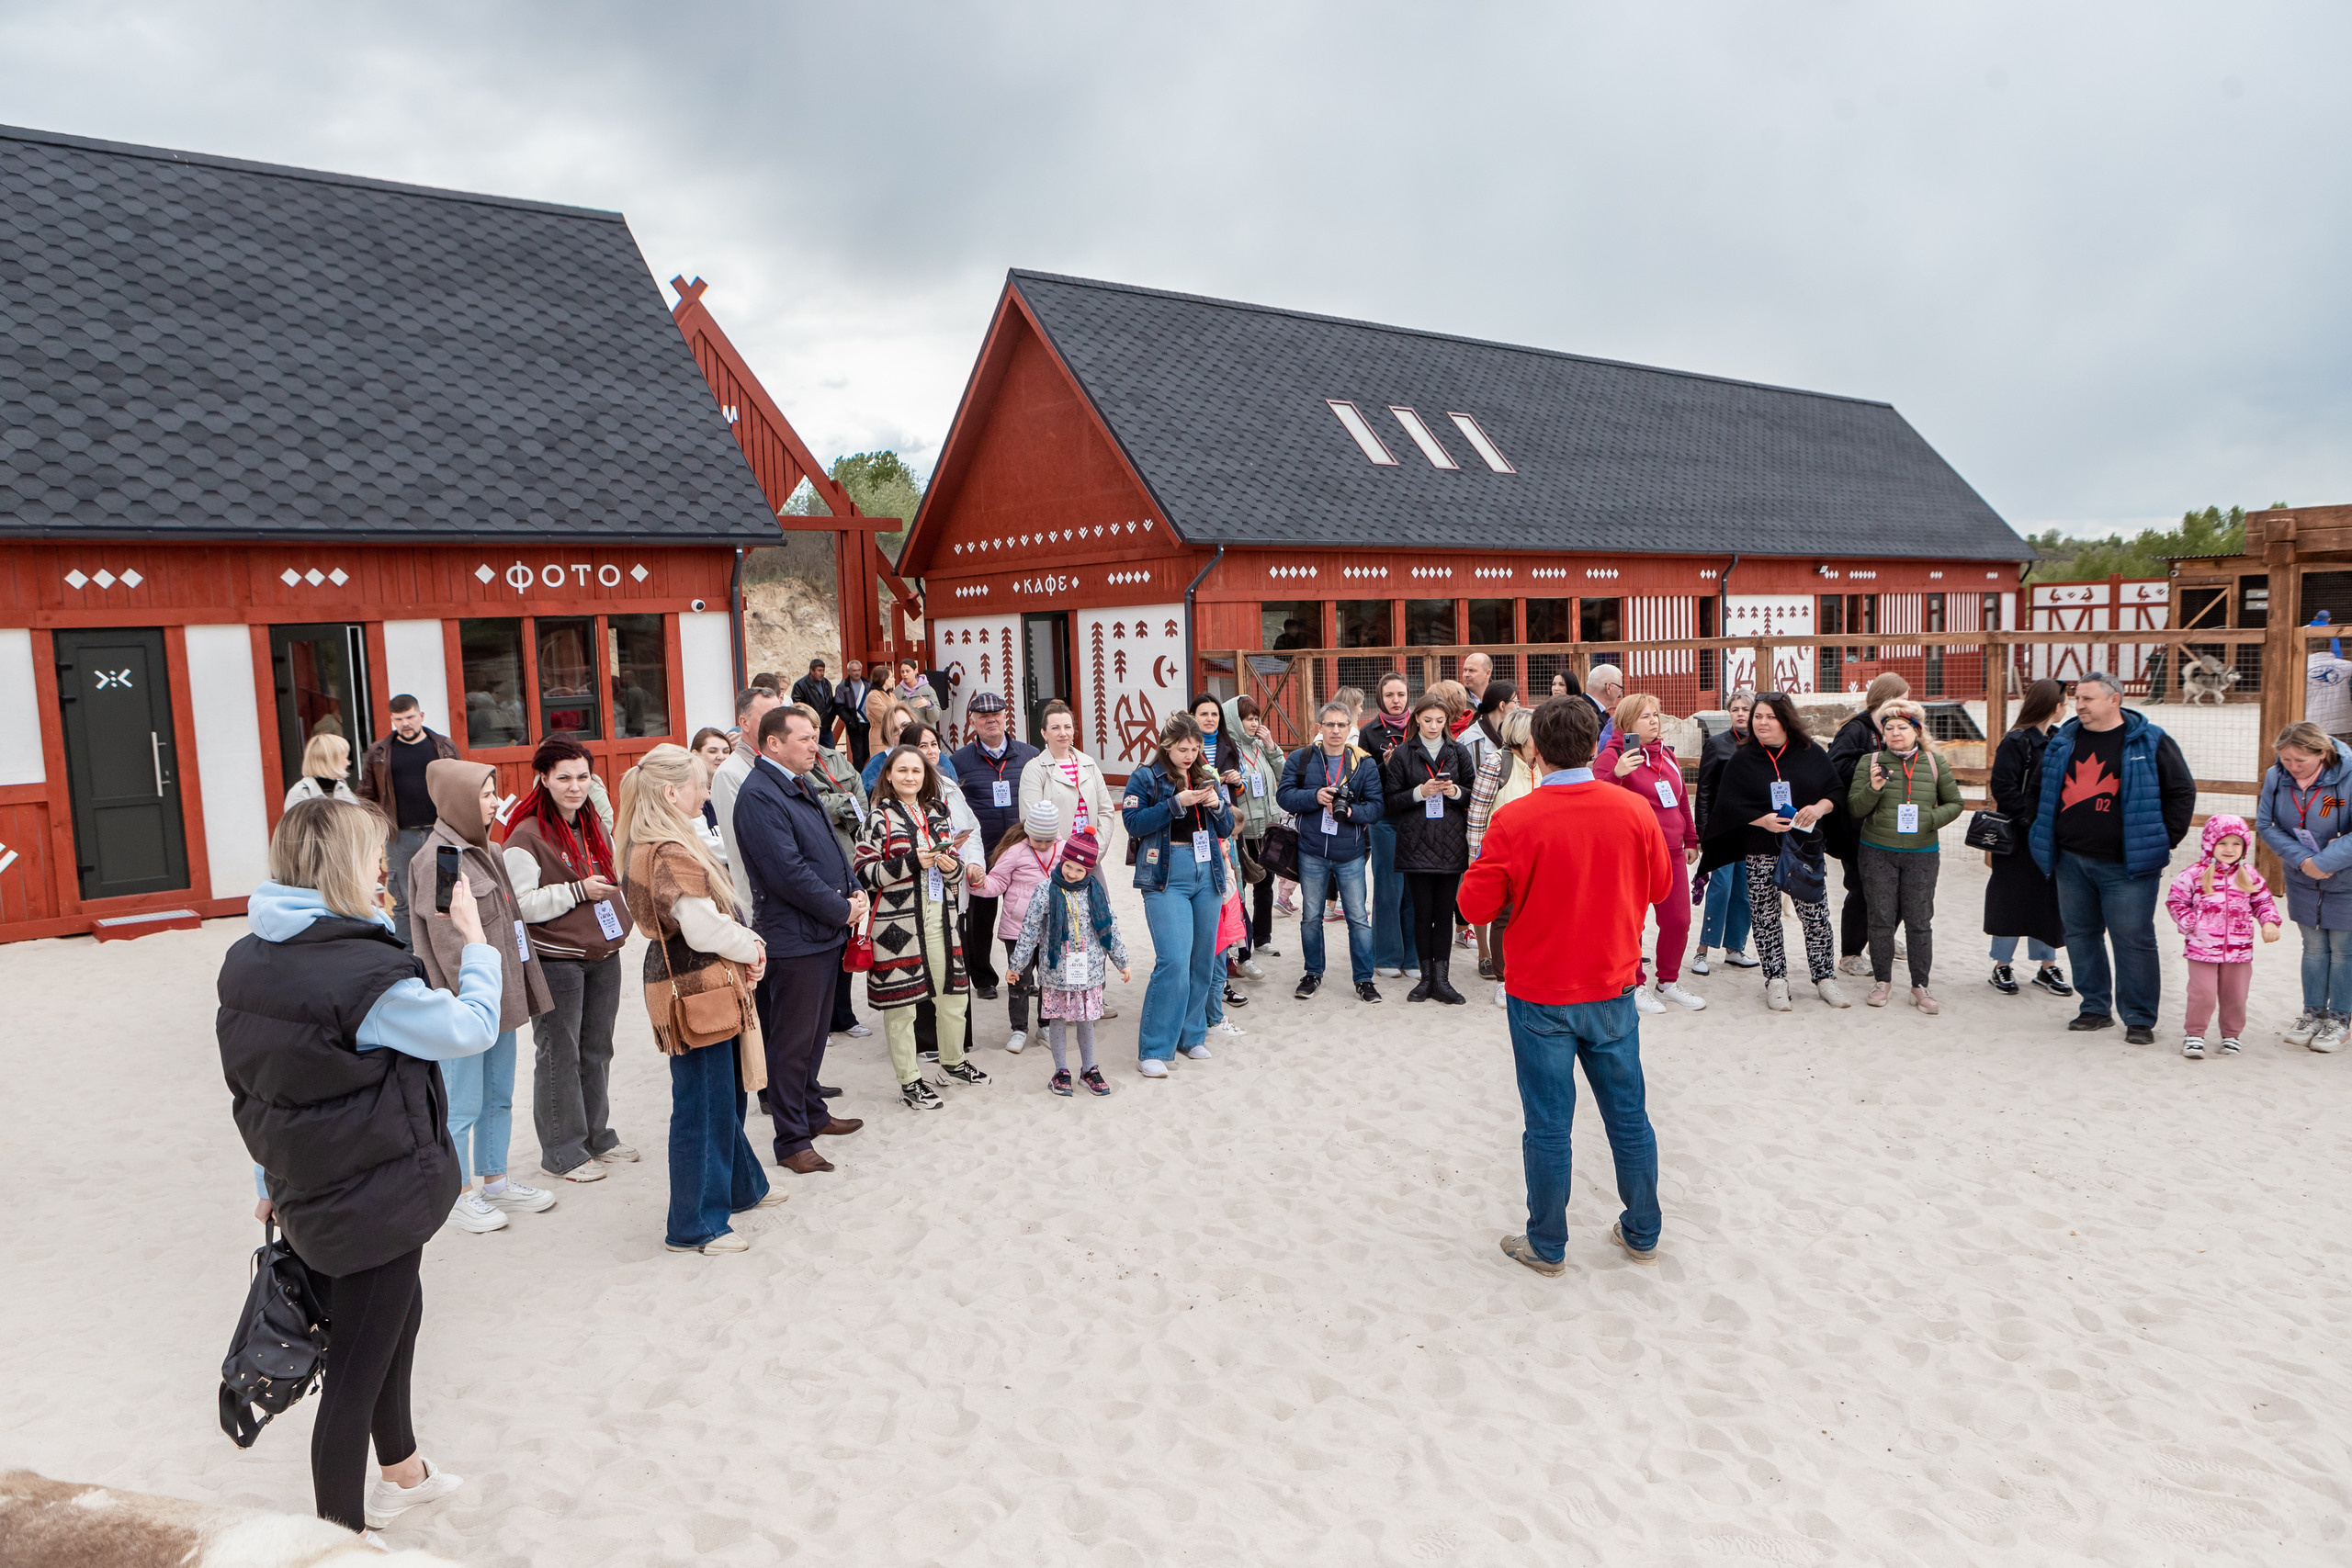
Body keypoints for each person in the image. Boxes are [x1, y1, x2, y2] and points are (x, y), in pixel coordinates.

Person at [220, 797, 497, 1537]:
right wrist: (478, 945)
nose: (385, 865)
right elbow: (470, 1029)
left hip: (318, 1185)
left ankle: (403, 1470)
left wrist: (268, 1180)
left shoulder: (249, 957)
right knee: (352, 1371)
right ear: (344, 866)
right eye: (374, 854)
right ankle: (337, 1537)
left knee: (396, 1316)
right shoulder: (363, 974)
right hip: (371, 1190)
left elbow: (260, 1083)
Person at [1459, 695, 1671, 1276]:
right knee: (1628, 1116)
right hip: (1609, 983)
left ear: (1536, 749)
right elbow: (1660, 887)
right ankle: (1643, 1230)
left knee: (1548, 1123)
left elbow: (1474, 902)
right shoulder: (1632, 810)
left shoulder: (1517, 818)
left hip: (1542, 990)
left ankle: (1548, 1242)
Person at [616, 745, 777, 1255]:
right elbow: (703, 927)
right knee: (702, 1104)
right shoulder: (667, 850)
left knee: (721, 1092)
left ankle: (741, 1188)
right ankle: (695, 1225)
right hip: (694, 981)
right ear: (670, 792)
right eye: (699, 785)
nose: (707, 793)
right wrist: (751, 944)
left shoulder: (656, 841)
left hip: (693, 978)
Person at [407, 759, 558, 1232]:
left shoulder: (485, 849)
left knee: (498, 1094)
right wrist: (473, 1000)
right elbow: (448, 941)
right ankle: (455, 1193)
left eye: (494, 793)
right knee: (462, 1100)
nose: (495, 802)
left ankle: (495, 1179)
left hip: (501, 995)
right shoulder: (440, 859)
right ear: (458, 800)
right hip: (466, 1001)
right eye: (486, 794)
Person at [734, 705, 867, 1172]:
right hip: (794, 938)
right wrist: (840, 909)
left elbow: (832, 846)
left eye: (815, 737)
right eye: (806, 738)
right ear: (774, 743)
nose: (815, 745)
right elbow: (786, 873)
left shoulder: (797, 782)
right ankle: (791, 1141)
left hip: (824, 931)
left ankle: (813, 1113)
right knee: (790, 1043)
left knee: (813, 1037)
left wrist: (853, 887)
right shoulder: (759, 796)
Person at [2029, 671, 2197, 1043]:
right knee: (2081, 935)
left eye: (2088, 698)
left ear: (2114, 699)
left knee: (2133, 939)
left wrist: (2163, 839)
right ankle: (2094, 1007)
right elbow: (2041, 789)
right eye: (2077, 698)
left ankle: (2138, 1018)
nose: (2079, 705)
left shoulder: (2150, 741)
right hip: (2070, 860)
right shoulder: (2065, 740)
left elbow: (2182, 791)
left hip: (2128, 866)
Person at [501, 739, 630, 1183]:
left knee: (597, 1049)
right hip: (557, 958)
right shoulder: (526, 834)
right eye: (564, 778)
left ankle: (597, 1136)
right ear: (543, 779)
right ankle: (562, 1152)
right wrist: (577, 891)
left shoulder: (592, 823)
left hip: (601, 952)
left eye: (582, 777)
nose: (575, 787)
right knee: (559, 1054)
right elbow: (518, 903)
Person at [1695, 692, 1849, 1011]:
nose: (1761, 723)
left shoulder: (1811, 752)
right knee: (1765, 916)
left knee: (1815, 915)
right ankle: (1776, 979)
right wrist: (1760, 819)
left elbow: (1835, 791)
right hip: (1761, 848)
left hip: (1805, 849)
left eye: (1769, 717)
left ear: (1785, 720)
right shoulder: (1743, 757)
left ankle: (1824, 978)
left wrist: (1820, 807)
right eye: (1757, 717)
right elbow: (1728, 805)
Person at [855, 741, 983, 1109]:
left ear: (926, 775)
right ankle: (910, 1082)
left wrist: (952, 868)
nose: (910, 776)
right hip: (896, 928)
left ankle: (953, 1062)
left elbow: (956, 865)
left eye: (917, 770)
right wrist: (914, 862)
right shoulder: (878, 819)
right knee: (902, 1008)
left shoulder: (937, 812)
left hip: (941, 918)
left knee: (954, 996)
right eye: (903, 770)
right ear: (890, 776)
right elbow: (863, 873)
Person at [1122, 715, 1237, 1074]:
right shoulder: (1145, 776)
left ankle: (1192, 1036)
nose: (1190, 755)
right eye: (1183, 749)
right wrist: (1177, 803)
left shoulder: (1206, 774)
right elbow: (1133, 823)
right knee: (1172, 959)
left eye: (1196, 747)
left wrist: (1217, 805)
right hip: (1165, 872)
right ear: (1166, 745)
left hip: (1208, 870)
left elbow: (1229, 826)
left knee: (1202, 959)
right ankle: (1155, 1049)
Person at [1847, 699, 1963, 1012]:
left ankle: (1920, 985)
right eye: (1889, 728)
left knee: (1919, 921)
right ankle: (1882, 981)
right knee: (1881, 918)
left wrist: (1929, 820)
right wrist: (1873, 788)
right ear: (1882, 733)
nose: (1895, 733)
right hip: (1877, 852)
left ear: (1916, 730)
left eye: (1902, 727)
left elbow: (1955, 803)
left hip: (1922, 853)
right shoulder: (1869, 762)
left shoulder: (1935, 762)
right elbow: (1856, 807)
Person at [1598, 694, 1705, 1013]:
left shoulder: (1667, 755)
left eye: (1656, 714)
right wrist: (1616, 773)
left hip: (1671, 851)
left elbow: (1681, 799)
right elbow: (1597, 801)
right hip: (1634, 853)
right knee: (1633, 923)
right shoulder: (1613, 754)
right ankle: (1636, 983)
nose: (1654, 721)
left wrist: (1690, 839)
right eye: (1645, 716)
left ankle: (1668, 982)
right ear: (1628, 722)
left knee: (1678, 920)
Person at [1008, 829, 1131, 1096]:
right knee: (1058, 1020)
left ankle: (1088, 1069)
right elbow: (1030, 930)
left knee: (1087, 1021)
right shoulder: (1045, 890)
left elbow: (1109, 929)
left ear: (1089, 870)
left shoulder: (1095, 892)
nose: (1072, 874)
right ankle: (1060, 1071)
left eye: (1079, 870)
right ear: (1062, 861)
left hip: (1089, 972)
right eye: (1068, 866)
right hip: (1056, 973)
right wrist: (1016, 965)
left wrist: (1122, 961)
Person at [1278, 700, 1385, 1001]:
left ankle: (1364, 980)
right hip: (1311, 850)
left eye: (1342, 725)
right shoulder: (1301, 758)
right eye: (1330, 725)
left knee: (1357, 919)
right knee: (1311, 917)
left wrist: (1352, 812)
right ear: (1319, 728)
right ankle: (1313, 973)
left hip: (1350, 854)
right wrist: (1315, 796)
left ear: (1351, 728)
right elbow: (1284, 796)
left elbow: (1376, 807)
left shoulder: (1363, 763)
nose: (1336, 730)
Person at [2254, 720, 2352, 1052]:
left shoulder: (2349, 776)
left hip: (2345, 878)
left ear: (2322, 753)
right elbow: (2266, 824)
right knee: (2312, 948)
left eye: (2301, 761)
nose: (2293, 768)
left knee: (2342, 951)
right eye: (2286, 760)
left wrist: (2325, 862)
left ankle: (2339, 1018)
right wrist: (2303, 861)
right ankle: (2312, 1013)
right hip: (2302, 877)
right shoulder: (2276, 777)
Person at [1383, 693, 1474, 1004]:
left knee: (1445, 912)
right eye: (1427, 720)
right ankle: (1425, 979)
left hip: (1450, 843)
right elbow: (1390, 801)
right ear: (1416, 719)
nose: (1433, 726)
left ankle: (1443, 979)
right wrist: (1420, 792)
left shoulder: (1458, 751)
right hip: (1415, 843)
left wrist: (1454, 790)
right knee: (1422, 913)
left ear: (1447, 721)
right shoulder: (1403, 754)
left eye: (1439, 720)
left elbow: (1474, 796)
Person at [2165, 815, 2282, 1058]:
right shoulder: (2194, 874)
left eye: (2236, 844)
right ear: (2210, 843)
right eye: (2223, 843)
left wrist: (2269, 921)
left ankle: (2231, 1036)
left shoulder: (2249, 874)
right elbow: (2176, 901)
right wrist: (2190, 923)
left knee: (2236, 995)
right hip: (2202, 948)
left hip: (2239, 950)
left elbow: (2263, 901)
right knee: (2203, 994)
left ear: (2244, 847)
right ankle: (2195, 1034)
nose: (2229, 849)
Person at [1984, 679, 2072, 998]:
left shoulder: (2060, 739)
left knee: (2049, 900)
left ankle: (2048, 966)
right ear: (2053, 705)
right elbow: (2003, 788)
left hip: (2052, 836)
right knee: (2010, 899)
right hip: (2019, 839)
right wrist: (2031, 820)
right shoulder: (2017, 741)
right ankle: (2001, 965)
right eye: (2064, 701)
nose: (2068, 706)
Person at [952, 691, 1040, 1001]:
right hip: (984, 851)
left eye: (997, 714)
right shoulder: (958, 761)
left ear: (1006, 717)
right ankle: (983, 978)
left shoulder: (1030, 754)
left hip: (1024, 851)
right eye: (983, 716)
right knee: (980, 919)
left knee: (1029, 915)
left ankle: (1030, 976)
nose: (991, 719)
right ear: (972, 721)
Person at [355, 694, 458, 950]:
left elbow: (462, 785)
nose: (405, 723)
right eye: (398, 719)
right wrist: (379, 827)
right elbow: (365, 795)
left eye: (410, 717)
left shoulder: (443, 746)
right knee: (403, 901)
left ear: (421, 716)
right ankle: (409, 957)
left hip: (441, 832)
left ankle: (449, 951)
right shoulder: (379, 752)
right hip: (401, 835)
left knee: (446, 895)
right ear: (392, 720)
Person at [1826, 672, 1910, 976]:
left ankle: (1882, 939)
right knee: (1861, 888)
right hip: (1854, 825)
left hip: (1888, 823)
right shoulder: (1856, 729)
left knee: (1899, 886)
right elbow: (1836, 767)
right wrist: (1877, 761)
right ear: (1888, 699)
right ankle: (1851, 953)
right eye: (1904, 697)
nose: (1908, 703)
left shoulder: (1897, 728)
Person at [975, 800, 1065, 1054]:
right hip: (1018, 929)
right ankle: (1018, 1028)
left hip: (1053, 928)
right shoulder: (1015, 851)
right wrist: (978, 883)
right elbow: (996, 883)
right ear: (1028, 832)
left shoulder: (1063, 849)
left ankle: (1045, 1024)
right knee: (1019, 981)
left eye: (1049, 840)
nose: (1045, 845)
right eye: (1039, 840)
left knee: (1050, 980)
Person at [1466, 706, 1540, 1008]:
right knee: (1504, 917)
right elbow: (1477, 814)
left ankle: (1529, 974)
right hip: (1504, 854)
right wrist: (1475, 859)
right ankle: (1502, 980)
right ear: (1523, 737)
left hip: (1538, 853)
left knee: (1534, 917)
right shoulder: (1497, 764)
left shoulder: (1543, 764)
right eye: (1537, 732)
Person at [1690, 691, 1759, 976]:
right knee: (1720, 888)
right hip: (1722, 829)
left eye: (1746, 709)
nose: (1740, 713)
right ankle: (1702, 950)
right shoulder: (1717, 744)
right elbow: (1703, 790)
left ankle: (1734, 948)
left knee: (1745, 891)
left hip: (1754, 829)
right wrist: (1703, 831)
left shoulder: (1762, 745)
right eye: (1735, 709)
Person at [1358, 673, 1419, 982]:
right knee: (1387, 886)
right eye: (1390, 695)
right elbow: (1362, 780)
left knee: (1414, 887)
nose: (1396, 700)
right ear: (1380, 697)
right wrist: (1386, 763)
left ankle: (1413, 956)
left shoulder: (1421, 726)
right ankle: (1386, 955)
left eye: (1401, 694)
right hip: (1384, 818)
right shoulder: (1369, 732)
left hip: (1416, 815)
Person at [1227, 695, 1288, 968]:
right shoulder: (1227, 748)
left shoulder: (1260, 747)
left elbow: (1284, 774)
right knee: (1239, 887)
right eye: (1247, 718)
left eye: (1256, 718)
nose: (1253, 724)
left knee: (1266, 885)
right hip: (1242, 829)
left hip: (1267, 825)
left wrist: (1272, 746)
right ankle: (1242, 945)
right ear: (1234, 720)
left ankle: (1263, 938)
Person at [711, 686, 782, 911]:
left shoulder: (783, 763)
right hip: (763, 899)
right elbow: (742, 846)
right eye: (769, 717)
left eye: (780, 715)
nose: (779, 724)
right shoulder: (730, 774)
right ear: (744, 722)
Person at [1020, 699, 1116, 841]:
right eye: (1055, 728)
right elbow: (1031, 818)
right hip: (1054, 858)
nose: (1063, 733)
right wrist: (1063, 856)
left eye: (1067, 727)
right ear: (1044, 733)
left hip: (1090, 854)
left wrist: (1095, 850)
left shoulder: (1088, 764)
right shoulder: (1034, 769)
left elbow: (1106, 811)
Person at [283, 733, 362, 810]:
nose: (348, 763)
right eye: (345, 757)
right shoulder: (300, 793)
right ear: (331, 761)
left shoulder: (343, 789)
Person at [835, 660, 875, 765]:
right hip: (854, 724)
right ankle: (859, 778)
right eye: (854, 670)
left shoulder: (868, 684)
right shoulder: (842, 687)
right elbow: (839, 706)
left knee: (869, 752)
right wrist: (849, 720)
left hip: (869, 723)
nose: (857, 673)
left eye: (859, 670)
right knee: (858, 755)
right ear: (849, 671)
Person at [892, 658, 945, 731]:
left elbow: (935, 717)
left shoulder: (928, 691)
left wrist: (929, 705)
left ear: (915, 670)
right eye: (902, 672)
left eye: (908, 671)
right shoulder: (897, 692)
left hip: (924, 734)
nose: (905, 674)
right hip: (905, 735)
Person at [789, 658, 835, 741]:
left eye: (823, 670)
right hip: (811, 727)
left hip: (826, 728)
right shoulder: (801, 685)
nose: (822, 673)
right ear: (812, 670)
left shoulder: (826, 683)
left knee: (830, 752)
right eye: (819, 670)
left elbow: (830, 703)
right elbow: (797, 707)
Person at [1583, 665, 1625, 750]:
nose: (1620, 693)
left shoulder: (1583, 707)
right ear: (1609, 687)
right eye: (1620, 688)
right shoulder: (1587, 714)